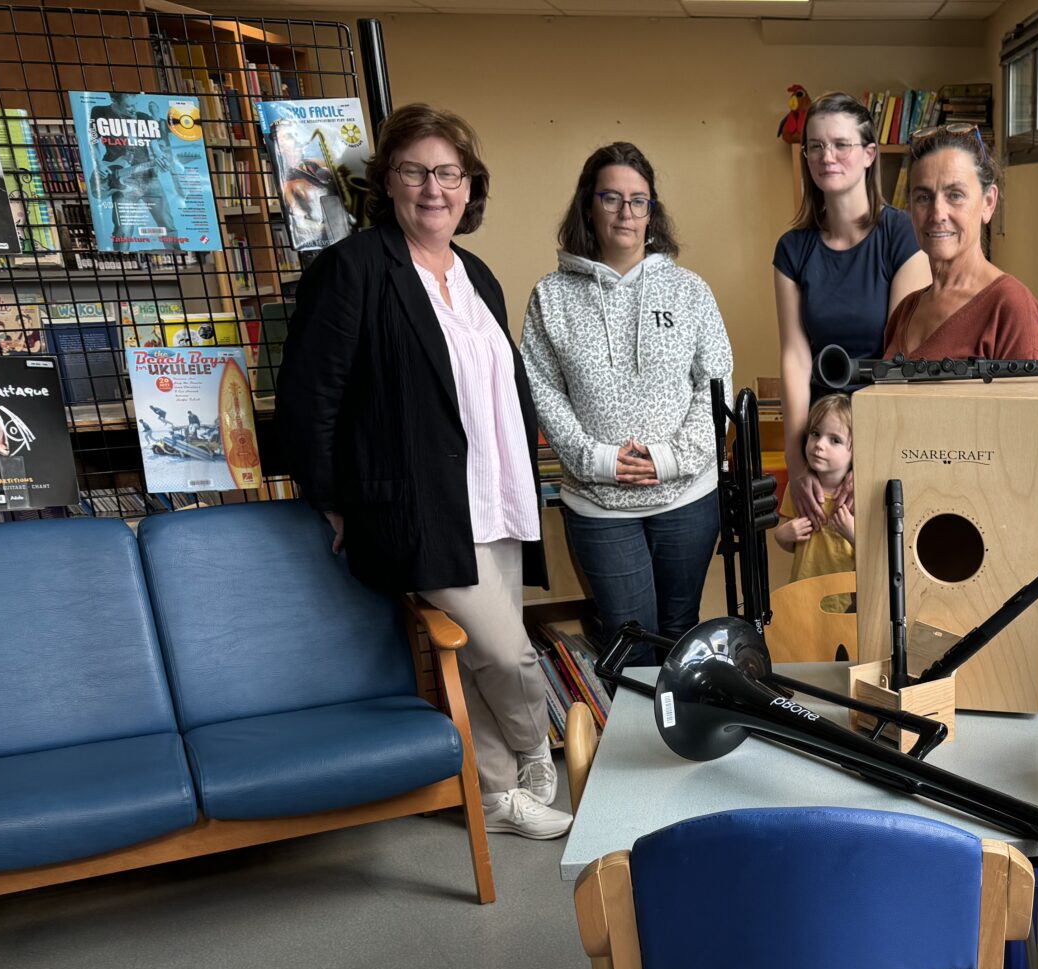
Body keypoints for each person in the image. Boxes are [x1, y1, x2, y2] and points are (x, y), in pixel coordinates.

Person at [277, 102, 570, 840]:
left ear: (470, 186)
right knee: (509, 654)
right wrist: (331, 500)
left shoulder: (477, 275)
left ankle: (498, 795)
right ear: (388, 181)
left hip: (497, 494)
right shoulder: (353, 268)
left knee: (472, 656)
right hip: (415, 506)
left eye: (448, 173)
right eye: (415, 172)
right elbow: (309, 397)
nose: (433, 189)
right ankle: (539, 747)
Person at [523, 142, 735, 670]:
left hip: (687, 496)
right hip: (599, 503)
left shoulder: (689, 291)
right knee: (629, 640)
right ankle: (637, 725)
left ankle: (678, 724)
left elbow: (715, 384)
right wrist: (595, 459)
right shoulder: (551, 296)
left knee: (681, 630)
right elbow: (541, 388)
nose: (625, 212)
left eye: (638, 200)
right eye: (611, 198)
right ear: (589, 205)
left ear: (651, 211)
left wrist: (671, 458)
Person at [773, 92, 927, 527]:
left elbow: (902, 358)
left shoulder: (901, 234)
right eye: (816, 146)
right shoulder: (792, 249)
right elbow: (795, 357)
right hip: (823, 439)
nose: (827, 156)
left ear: (869, 155)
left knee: (880, 558)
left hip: (886, 428)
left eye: (841, 144)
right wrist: (797, 460)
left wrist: (875, 455)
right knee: (817, 559)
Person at [881, 127, 1038, 362]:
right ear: (909, 206)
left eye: (955, 195)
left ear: (988, 203)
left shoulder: (1012, 308)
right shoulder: (905, 312)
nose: (937, 214)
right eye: (924, 197)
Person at [773, 393, 855, 610]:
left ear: (855, 451)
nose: (819, 445)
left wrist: (853, 534)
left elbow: (876, 557)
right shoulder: (798, 489)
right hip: (802, 593)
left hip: (843, 602)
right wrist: (782, 535)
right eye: (815, 434)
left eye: (835, 440)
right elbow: (793, 545)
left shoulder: (858, 498)